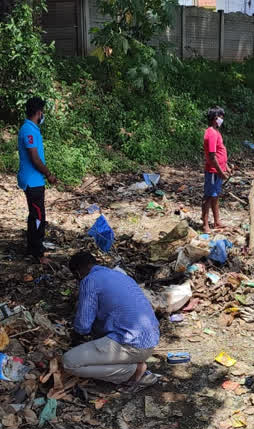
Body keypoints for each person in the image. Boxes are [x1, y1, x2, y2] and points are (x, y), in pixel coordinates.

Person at [62, 252, 160, 390]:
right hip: (150, 339)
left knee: (69, 362)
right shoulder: (118, 275)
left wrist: (75, 339)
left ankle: (132, 372)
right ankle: (132, 364)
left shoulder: (89, 280)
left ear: (78, 273)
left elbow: (83, 326)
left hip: (132, 345)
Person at [18, 97, 58, 265]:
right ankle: (38, 253)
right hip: (33, 181)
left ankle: (31, 248)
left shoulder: (32, 129)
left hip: (35, 180)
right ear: (39, 112)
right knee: (39, 217)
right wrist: (49, 174)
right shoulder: (28, 130)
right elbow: (34, 158)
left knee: (34, 215)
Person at [202, 106, 229, 233]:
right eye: (220, 117)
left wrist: (226, 166)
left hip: (218, 170)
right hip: (213, 171)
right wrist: (220, 172)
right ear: (215, 118)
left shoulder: (216, 132)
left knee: (215, 196)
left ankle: (216, 221)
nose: (222, 120)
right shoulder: (211, 133)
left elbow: (220, 150)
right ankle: (205, 224)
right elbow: (212, 156)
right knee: (208, 197)